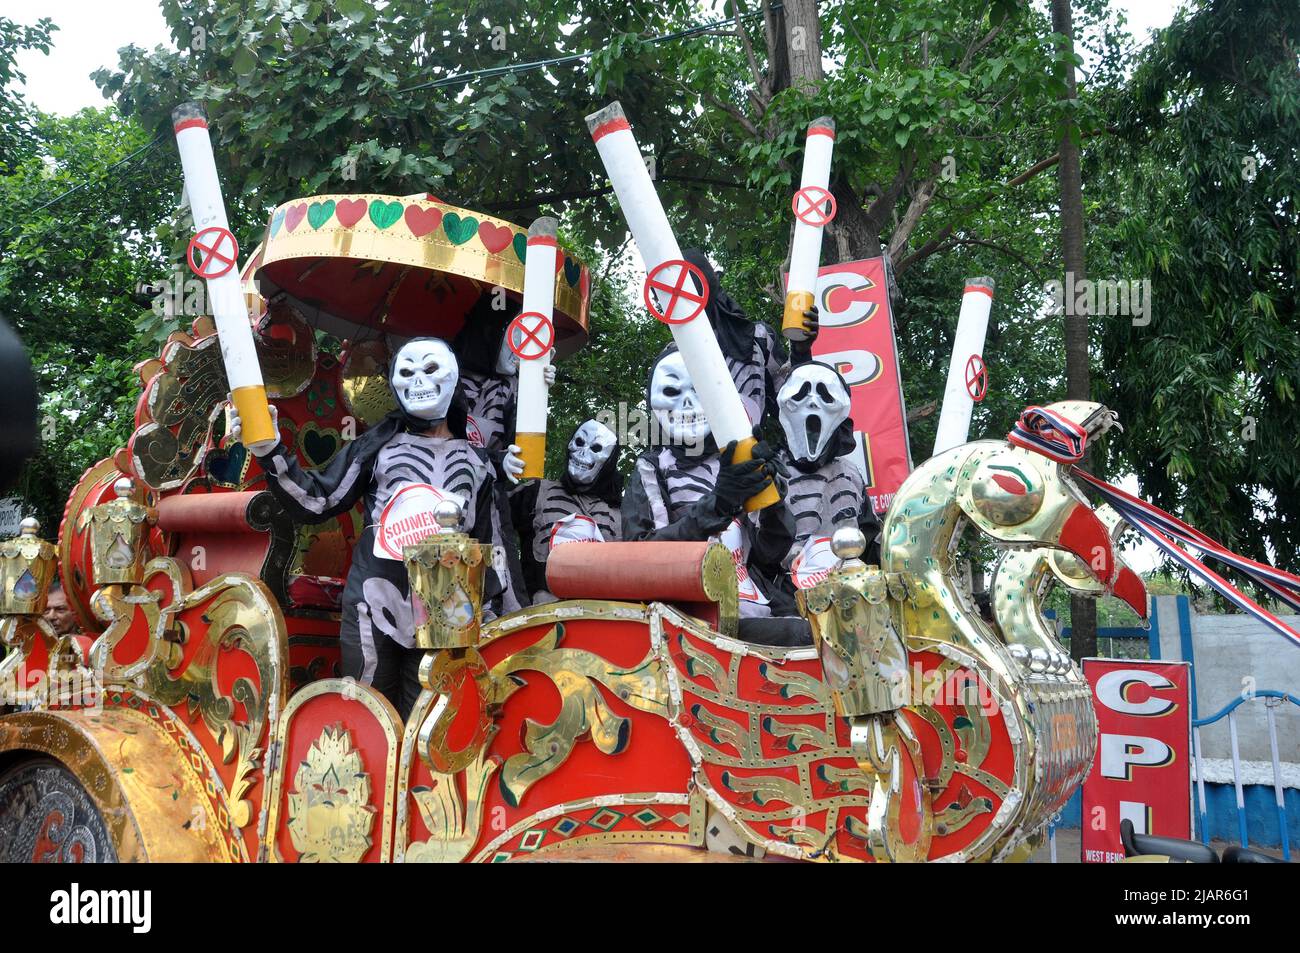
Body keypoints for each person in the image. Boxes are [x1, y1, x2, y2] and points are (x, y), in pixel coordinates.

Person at [230, 337, 524, 718]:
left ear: (454, 380)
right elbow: (316, 500)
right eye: (407, 371)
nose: (418, 380)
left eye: (431, 369)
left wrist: (511, 622)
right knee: (368, 715)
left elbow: (494, 545)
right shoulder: (378, 446)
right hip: (375, 603)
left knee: (431, 721)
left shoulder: (480, 464)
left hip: (448, 612)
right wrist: (269, 449)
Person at [621, 346, 807, 645]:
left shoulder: (735, 459)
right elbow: (641, 558)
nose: (688, 402)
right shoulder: (652, 468)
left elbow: (769, 554)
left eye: (700, 388)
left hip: (761, 603)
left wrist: (773, 501)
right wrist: (717, 505)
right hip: (694, 616)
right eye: (671, 390)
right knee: (802, 636)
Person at [765, 361, 881, 612]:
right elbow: (761, 551)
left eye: (825, 395)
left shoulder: (849, 473)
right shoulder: (771, 471)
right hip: (786, 598)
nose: (813, 403)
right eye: (802, 393)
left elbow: (869, 537)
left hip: (850, 593)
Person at [510, 419, 623, 605]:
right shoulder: (537, 492)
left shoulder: (618, 514)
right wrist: (497, 464)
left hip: (600, 618)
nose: (583, 453)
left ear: (609, 462)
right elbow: (492, 522)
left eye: (595, 448)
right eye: (579, 442)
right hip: (540, 617)